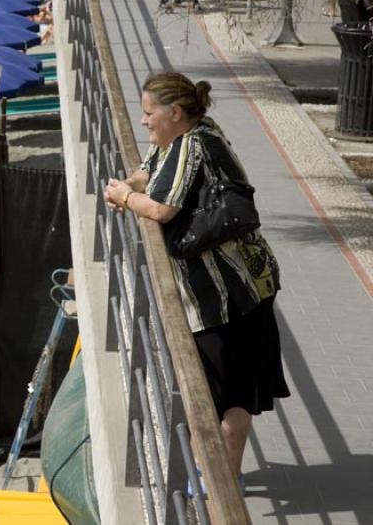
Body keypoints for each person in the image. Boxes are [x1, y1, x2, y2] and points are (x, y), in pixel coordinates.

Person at [104, 71, 290, 491]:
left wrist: (125, 199)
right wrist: (129, 187)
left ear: (174, 112)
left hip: (230, 293)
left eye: (149, 113)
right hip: (237, 287)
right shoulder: (185, 135)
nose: (144, 121)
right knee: (224, 392)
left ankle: (220, 484)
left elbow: (163, 209)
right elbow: (146, 171)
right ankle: (219, 476)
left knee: (225, 397)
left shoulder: (194, 144)